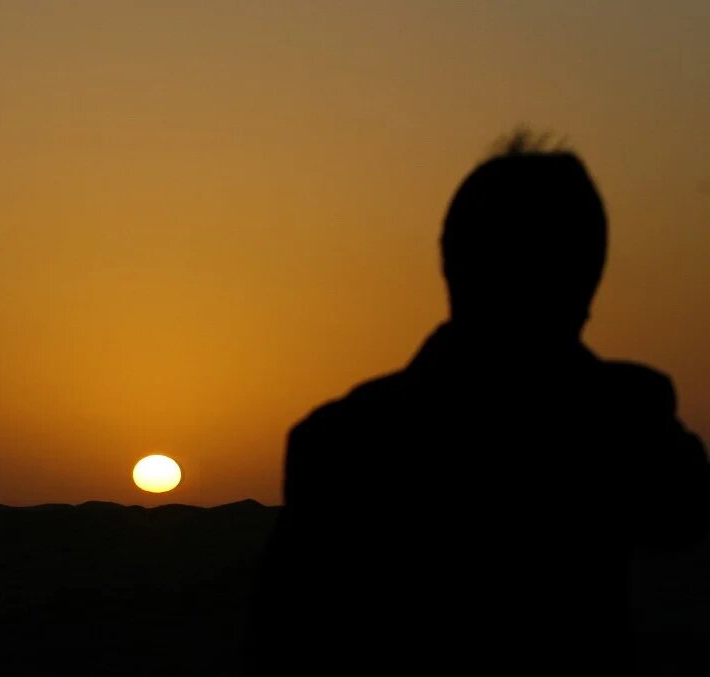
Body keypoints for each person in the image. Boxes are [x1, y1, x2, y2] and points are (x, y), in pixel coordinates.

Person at [247, 131, 709, 675]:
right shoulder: (622, 419)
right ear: (588, 277)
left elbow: (281, 637)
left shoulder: (338, 441)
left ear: (451, 264)